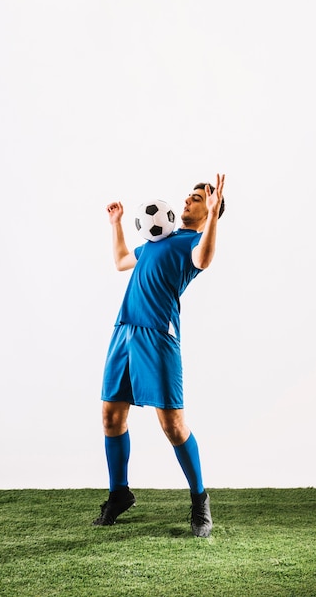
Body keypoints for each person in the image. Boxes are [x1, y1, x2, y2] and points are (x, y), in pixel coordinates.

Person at [93, 174, 225, 537]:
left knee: (173, 425)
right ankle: (119, 493)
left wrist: (212, 216)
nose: (188, 201)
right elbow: (122, 261)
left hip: (158, 338)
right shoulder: (158, 237)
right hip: (124, 332)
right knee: (111, 415)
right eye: (189, 196)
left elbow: (206, 259)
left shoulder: (195, 242)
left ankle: (200, 502)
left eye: (197, 199)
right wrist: (116, 224)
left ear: (210, 209)